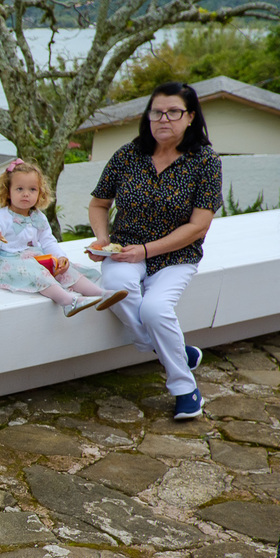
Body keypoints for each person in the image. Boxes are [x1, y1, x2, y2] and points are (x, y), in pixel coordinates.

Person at [88, 81, 222, 421]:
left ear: (190, 117)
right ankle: (177, 352)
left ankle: (184, 388)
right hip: (124, 250)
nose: (163, 119)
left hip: (176, 256)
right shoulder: (128, 155)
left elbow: (199, 226)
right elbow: (99, 203)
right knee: (115, 287)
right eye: (157, 112)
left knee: (155, 309)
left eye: (173, 112)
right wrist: (102, 240)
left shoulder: (205, 161)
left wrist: (146, 251)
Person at [0, 159, 127, 317]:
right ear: (8, 192)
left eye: (32, 189)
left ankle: (100, 294)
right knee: (39, 272)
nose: (26, 194)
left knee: (61, 268)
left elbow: (48, 241)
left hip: (32, 258)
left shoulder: (38, 217)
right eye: (19, 189)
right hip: (3, 262)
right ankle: (68, 302)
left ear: (40, 193)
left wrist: (60, 257)